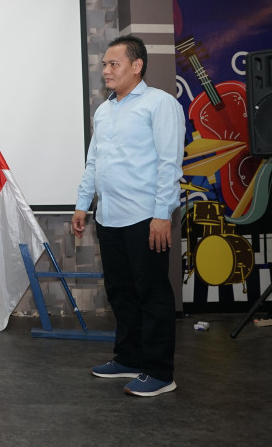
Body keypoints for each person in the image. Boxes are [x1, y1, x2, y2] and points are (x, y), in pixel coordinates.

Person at [71, 34, 185, 397]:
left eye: (113, 64)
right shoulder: (104, 110)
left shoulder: (159, 104)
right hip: (109, 216)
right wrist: (82, 203)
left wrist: (162, 213)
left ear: (137, 66)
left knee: (151, 293)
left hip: (145, 217)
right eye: (104, 64)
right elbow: (94, 162)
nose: (105, 70)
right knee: (120, 291)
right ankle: (129, 358)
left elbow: (170, 164)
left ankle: (159, 371)